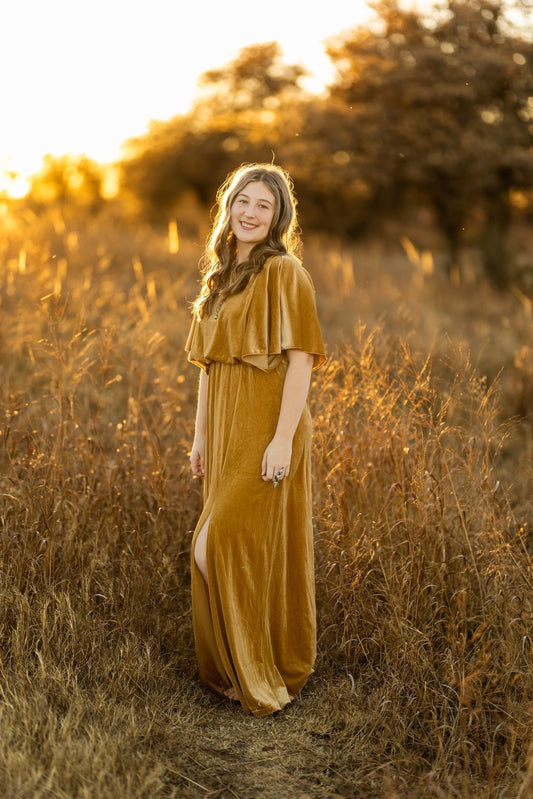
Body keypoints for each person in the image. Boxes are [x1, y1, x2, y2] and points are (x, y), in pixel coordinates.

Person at [185, 162, 325, 717]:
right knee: (231, 547)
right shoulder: (219, 278)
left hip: (266, 426)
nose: (249, 212)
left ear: (277, 217)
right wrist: (199, 437)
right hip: (222, 426)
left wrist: (282, 439)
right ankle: (233, 666)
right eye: (243, 200)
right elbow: (207, 367)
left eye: (263, 205)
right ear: (229, 206)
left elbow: (301, 361)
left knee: (216, 545)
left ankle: (260, 669)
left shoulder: (284, 272)